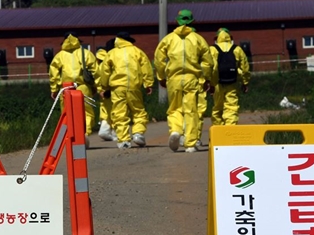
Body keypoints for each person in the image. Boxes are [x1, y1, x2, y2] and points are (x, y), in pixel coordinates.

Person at [154, 9, 213, 153]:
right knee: (191, 111)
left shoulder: (168, 39)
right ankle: (190, 144)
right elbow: (208, 62)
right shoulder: (198, 39)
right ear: (192, 21)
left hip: (174, 79)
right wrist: (206, 78)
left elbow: (158, 60)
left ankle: (175, 130)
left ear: (177, 20)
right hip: (192, 79)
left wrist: (161, 76)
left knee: (174, 108)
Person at [99, 32, 154, 149]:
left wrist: (104, 87)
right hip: (134, 87)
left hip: (117, 88)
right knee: (138, 111)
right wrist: (148, 84)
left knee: (119, 113)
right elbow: (146, 68)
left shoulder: (111, 54)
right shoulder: (137, 51)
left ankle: (124, 140)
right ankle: (138, 134)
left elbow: (104, 72)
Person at [49, 32, 98, 143]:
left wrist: (54, 89)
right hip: (83, 87)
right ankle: (84, 133)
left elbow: (53, 73)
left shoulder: (59, 56)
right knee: (87, 112)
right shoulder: (86, 53)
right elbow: (96, 72)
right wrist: (97, 87)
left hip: (66, 89)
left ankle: (72, 137)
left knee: (67, 114)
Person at [209, 28, 251, 126]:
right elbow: (245, 68)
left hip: (217, 84)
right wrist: (245, 82)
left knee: (217, 108)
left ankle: (218, 133)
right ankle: (229, 132)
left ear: (216, 38)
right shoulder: (237, 49)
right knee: (231, 108)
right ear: (230, 37)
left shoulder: (212, 49)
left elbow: (210, 68)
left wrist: (211, 83)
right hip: (232, 83)